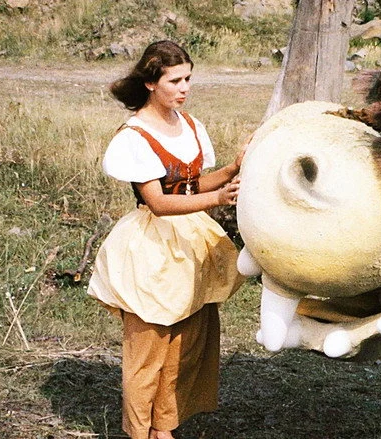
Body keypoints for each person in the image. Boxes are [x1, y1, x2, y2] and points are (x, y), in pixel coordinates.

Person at [87, 40, 245, 439]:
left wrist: (231, 169)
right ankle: (139, 431)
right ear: (150, 83)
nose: (184, 88)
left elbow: (190, 186)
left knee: (185, 345)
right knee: (149, 349)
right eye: (175, 81)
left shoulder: (189, 124)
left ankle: (164, 427)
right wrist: (217, 199)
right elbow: (158, 202)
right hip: (152, 246)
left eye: (188, 78)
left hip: (190, 240)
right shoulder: (135, 136)